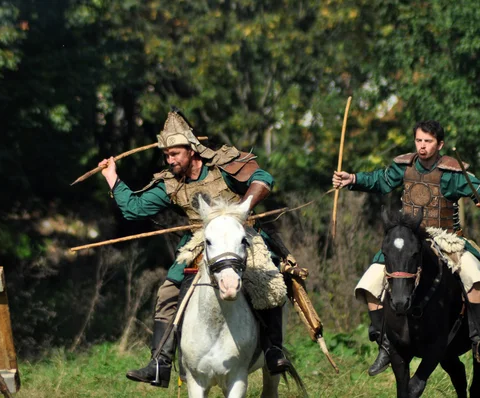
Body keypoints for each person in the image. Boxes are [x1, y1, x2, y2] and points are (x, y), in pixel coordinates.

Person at [98, 109, 307, 388]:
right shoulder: (171, 182)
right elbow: (134, 209)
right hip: (199, 241)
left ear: (192, 150)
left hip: (238, 233)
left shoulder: (223, 166)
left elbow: (263, 179)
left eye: (175, 154)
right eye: (167, 155)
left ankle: (273, 351)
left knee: (267, 282)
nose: (170, 160)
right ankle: (160, 362)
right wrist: (112, 177)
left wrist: (241, 210)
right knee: (167, 292)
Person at [332, 120, 480, 376]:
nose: (422, 147)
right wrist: (353, 179)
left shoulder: (453, 173)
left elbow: (476, 187)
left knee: (475, 277)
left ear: (440, 144)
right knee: (368, 284)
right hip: (409, 238)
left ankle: (478, 338)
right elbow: (380, 180)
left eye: (428, 142)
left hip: (445, 238)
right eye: (419, 141)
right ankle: (385, 344)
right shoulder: (404, 166)